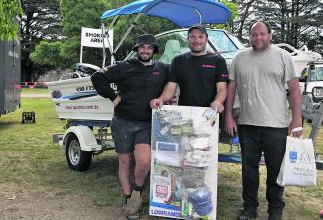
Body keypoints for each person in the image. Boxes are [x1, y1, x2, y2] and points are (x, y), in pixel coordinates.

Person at [224, 20, 302, 220]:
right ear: (249, 37)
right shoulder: (239, 58)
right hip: (247, 124)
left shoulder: (283, 57)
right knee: (249, 171)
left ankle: (275, 210)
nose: (257, 37)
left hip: (276, 125)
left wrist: (296, 119)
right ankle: (250, 209)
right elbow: (231, 88)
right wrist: (229, 116)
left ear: (270, 35)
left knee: (276, 171)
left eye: (261, 34)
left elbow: (294, 89)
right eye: (253, 34)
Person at [91, 34, 169, 219]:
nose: (145, 50)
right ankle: (128, 198)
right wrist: (113, 96)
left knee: (144, 161)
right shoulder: (123, 67)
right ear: (137, 49)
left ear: (154, 51)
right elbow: (97, 77)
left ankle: (137, 191)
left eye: (150, 48)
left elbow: (177, 80)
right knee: (125, 161)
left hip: (146, 124)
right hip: (123, 122)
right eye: (142, 47)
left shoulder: (163, 68)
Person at [150, 23, 228, 114]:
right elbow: (171, 86)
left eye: (200, 37)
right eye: (193, 37)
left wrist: (218, 101)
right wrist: (160, 100)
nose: (196, 40)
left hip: (210, 113)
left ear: (206, 39)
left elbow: (222, 88)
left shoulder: (218, 60)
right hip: (185, 114)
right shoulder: (178, 60)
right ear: (188, 39)